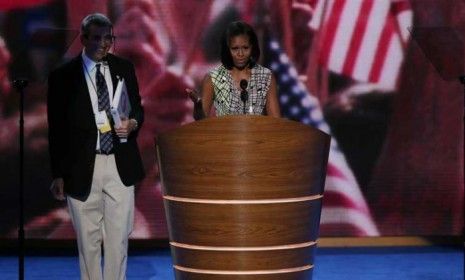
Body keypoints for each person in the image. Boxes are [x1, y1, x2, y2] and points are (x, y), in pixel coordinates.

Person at [47, 13, 144, 280]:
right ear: (83, 39)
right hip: (80, 166)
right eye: (98, 38)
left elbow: (137, 108)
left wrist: (133, 123)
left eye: (109, 38)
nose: (104, 44)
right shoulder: (62, 77)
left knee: (118, 239)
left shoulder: (124, 68)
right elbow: (56, 130)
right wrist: (58, 173)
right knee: (88, 243)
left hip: (119, 162)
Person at [187, 21, 281, 118]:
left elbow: (275, 120)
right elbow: (202, 121)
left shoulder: (266, 77)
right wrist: (198, 104)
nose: (240, 53)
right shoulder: (212, 79)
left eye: (245, 48)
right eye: (235, 48)